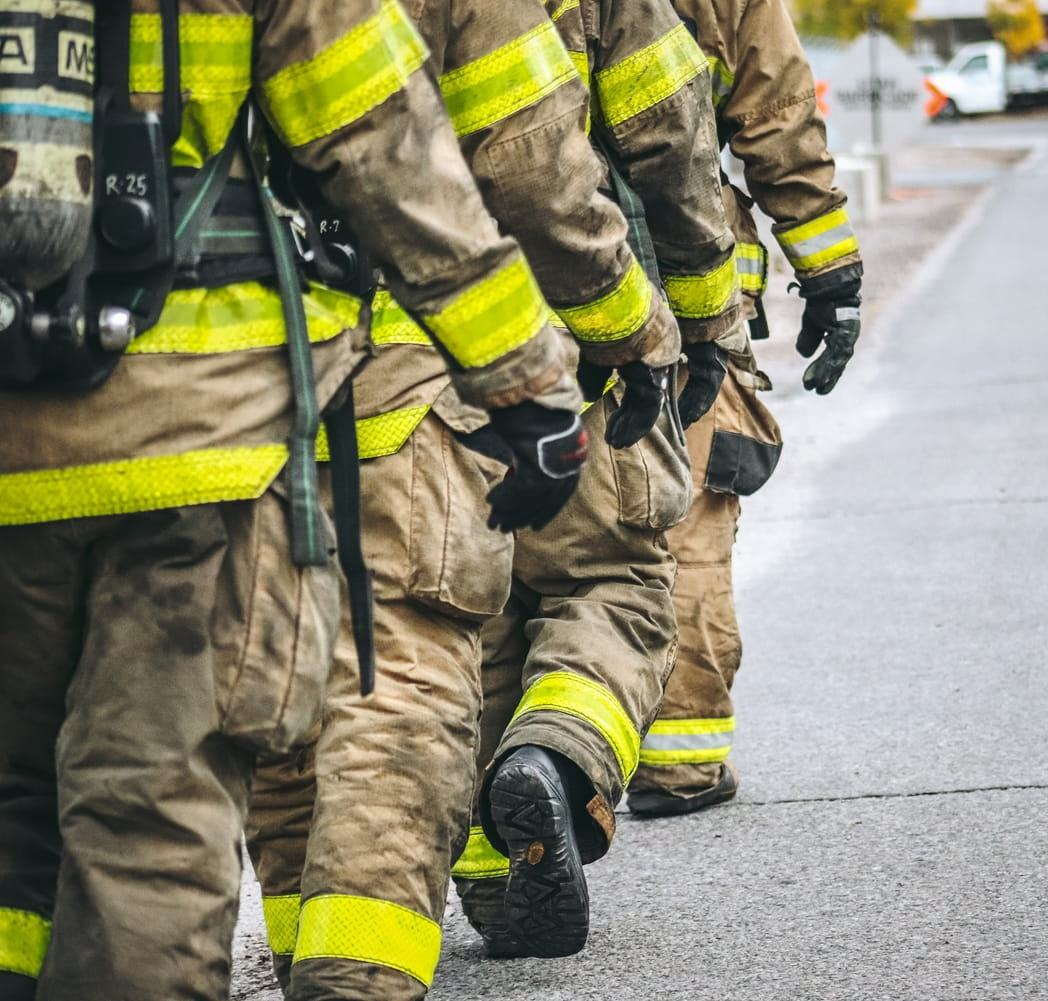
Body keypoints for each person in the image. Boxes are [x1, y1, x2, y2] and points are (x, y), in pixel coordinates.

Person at [0, 1, 581, 999]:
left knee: (13, 820)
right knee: (149, 817)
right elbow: (382, 140)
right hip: (196, 449)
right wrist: (523, 378)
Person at [243, 0, 719, 995]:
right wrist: (667, 321)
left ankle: (310, 930)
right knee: (580, 598)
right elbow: (624, 137)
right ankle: (544, 767)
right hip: (491, 335)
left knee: (306, 657)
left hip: (236, 362)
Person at [451, 0, 744, 961]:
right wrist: (695, 321)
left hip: (404, 364)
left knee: (466, 620)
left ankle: (496, 883)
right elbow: (669, 127)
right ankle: (554, 759)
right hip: (576, 342)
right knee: (611, 585)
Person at [627, 0, 865, 818]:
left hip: (510, 288)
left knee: (540, 537)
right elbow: (776, 118)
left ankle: (544, 753)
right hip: (684, 287)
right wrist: (832, 279)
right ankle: (679, 758)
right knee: (688, 518)